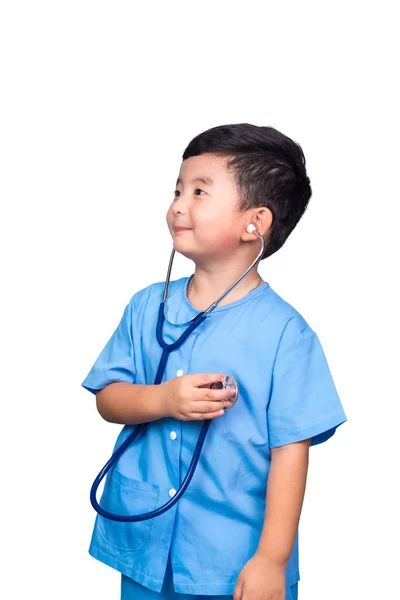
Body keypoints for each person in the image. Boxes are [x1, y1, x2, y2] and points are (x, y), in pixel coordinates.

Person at [81, 123, 347, 600]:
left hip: (232, 561)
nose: (179, 204)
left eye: (200, 191)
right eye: (178, 189)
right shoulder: (147, 307)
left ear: (255, 223)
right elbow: (108, 399)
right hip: (145, 547)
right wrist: (162, 399)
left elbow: (291, 453)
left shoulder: (286, 335)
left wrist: (272, 559)